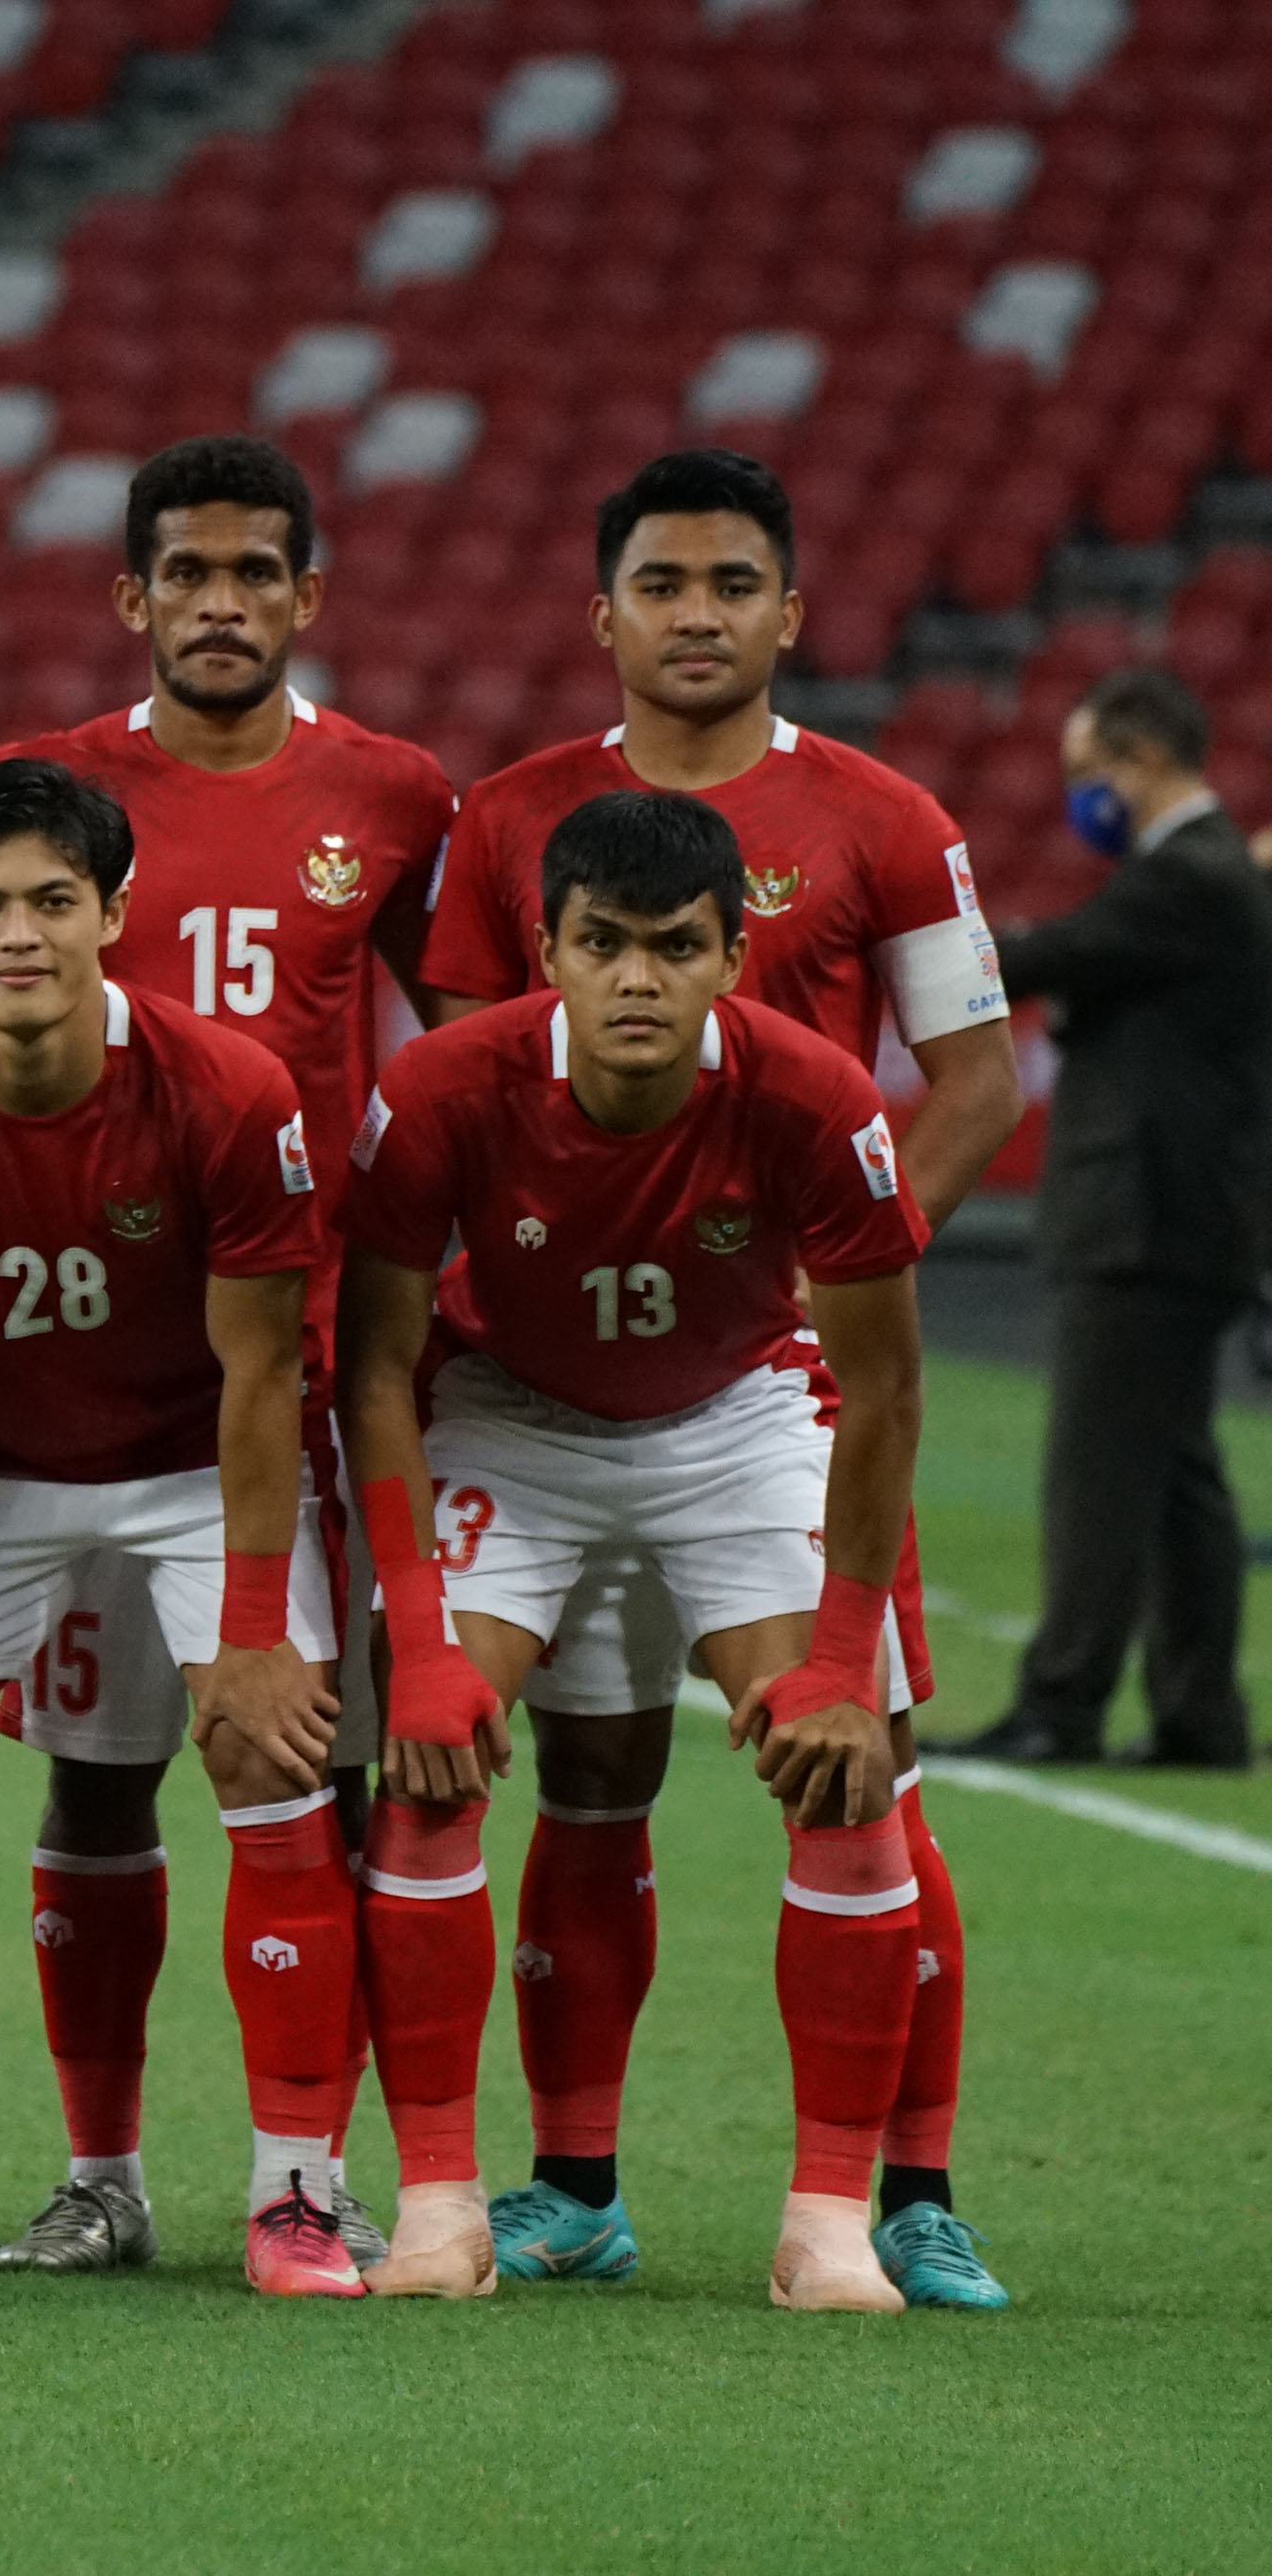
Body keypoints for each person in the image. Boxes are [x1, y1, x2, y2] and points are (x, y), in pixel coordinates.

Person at [417, 449, 1014, 2301]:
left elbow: (976, 1074)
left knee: (865, 1758)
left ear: (789, 612)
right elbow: (480, 1090)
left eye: (731, 583)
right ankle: (572, 2180)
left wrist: (840, 1268)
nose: (696, 614)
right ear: (604, 616)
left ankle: (907, 2192)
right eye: (660, 584)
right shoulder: (510, 819)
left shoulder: (888, 817)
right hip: (546, 1376)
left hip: (786, 1380)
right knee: (585, 1772)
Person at [339, 787, 935, 2311]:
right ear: (547, 947)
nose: (636, 981)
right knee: (428, 1768)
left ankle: (828, 2222)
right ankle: (441, 2204)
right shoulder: (443, 1086)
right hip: (509, 1421)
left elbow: (885, 1385)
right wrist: (415, 1643)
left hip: (738, 1416)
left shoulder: (819, 1101)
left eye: (676, 946)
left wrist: (834, 1657)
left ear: (735, 954)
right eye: (602, 944)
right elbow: (376, 1367)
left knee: (848, 1773)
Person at [0, 758, 360, 2293]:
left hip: (193, 1461)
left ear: (114, 911)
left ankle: (301, 2191)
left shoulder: (228, 1089)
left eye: (51, 901)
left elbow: (261, 1372)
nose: (17, 933)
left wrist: (243, 1631)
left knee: (265, 1745)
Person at [0, 437, 447, 2271]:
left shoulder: (392, 796)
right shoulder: (53, 791)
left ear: (308, 596)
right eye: (190, 572)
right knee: (94, 1777)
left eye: (259, 572)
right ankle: (104, 2177)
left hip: (299, 1374)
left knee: (300, 1769)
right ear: (134, 598)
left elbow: (475, 1043)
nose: (224, 602)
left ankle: (304, 2184)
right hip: (81, 1382)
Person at [949, 667, 1272, 1771]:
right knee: (1176, 1476)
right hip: (1183, 1219)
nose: (1080, 795)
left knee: (1097, 1469)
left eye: (1090, 772)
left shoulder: (1186, 876)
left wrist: (913, 930)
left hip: (1146, 1220)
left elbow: (1038, 959)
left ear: (1140, 759)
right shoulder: (1200, 877)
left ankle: (1062, 1703)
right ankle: (1198, 1716)